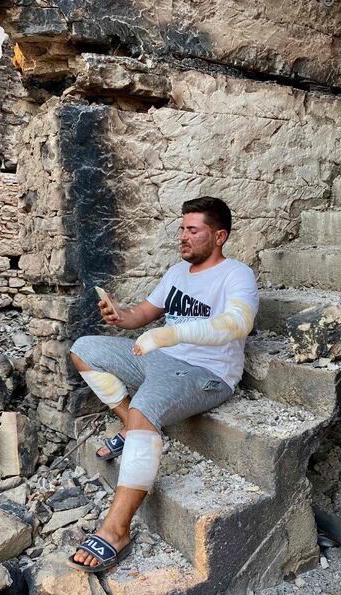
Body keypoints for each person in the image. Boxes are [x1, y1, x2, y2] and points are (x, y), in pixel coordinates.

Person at [67, 197, 259, 572]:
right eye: (181, 229)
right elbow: (143, 314)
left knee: (144, 410)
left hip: (206, 373)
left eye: (193, 230)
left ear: (219, 236)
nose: (182, 236)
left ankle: (116, 530)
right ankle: (129, 424)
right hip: (160, 358)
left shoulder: (237, 275)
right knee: (83, 349)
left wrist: (167, 336)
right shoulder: (176, 273)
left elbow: (238, 324)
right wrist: (119, 315)